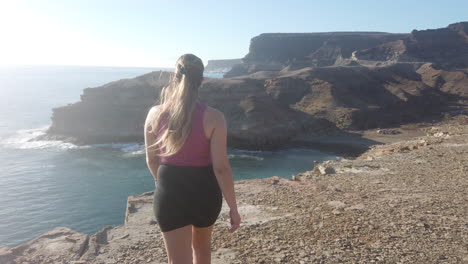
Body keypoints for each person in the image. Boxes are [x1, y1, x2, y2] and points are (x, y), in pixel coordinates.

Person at [144, 53, 241, 264]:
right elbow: (221, 168)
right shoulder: (215, 117)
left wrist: (161, 185)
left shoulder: (154, 114)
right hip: (205, 192)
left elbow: (152, 160)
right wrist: (233, 208)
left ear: (174, 76)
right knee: (202, 252)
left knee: (177, 260)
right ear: (202, 80)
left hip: (170, 191)